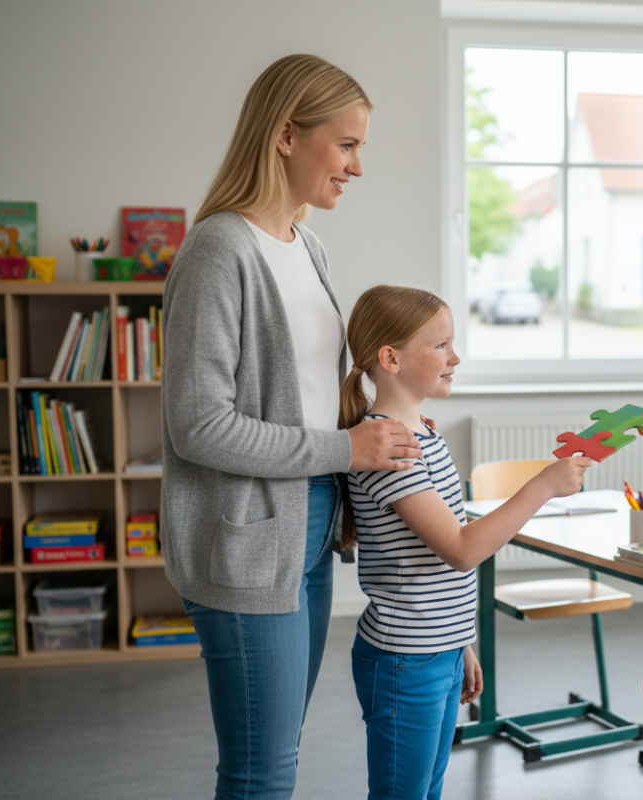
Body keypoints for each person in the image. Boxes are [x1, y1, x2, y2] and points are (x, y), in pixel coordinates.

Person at [161, 54, 424, 800]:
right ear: (285, 135)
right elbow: (197, 426)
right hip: (247, 538)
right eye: (346, 145)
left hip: (310, 525)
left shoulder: (307, 247)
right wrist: (347, 447)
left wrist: (391, 412)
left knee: (278, 752)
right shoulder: (220, 250)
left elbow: (307, 393)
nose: (357, 166)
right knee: (262, 770)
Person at [339, 285, 591, 800]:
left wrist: (461, 643)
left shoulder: (424, 433)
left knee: (425, 791)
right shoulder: (393, 447)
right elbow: (460, 548)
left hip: (436, 651)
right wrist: (542, 486)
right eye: (440, 347)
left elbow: (434, 566)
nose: (456, 358)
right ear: (391, 358)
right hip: (404, 659)